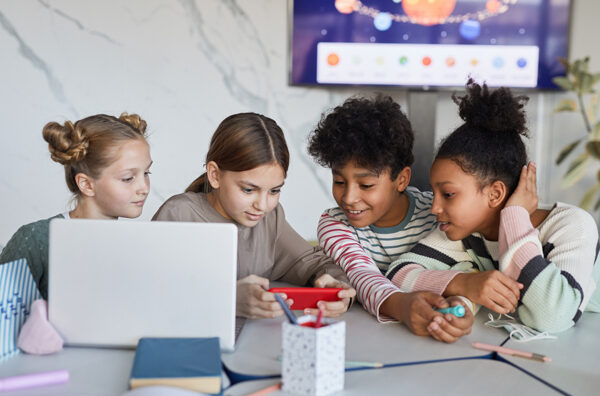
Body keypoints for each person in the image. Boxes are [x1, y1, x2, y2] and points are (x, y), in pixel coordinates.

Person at [386, 79, 600, 333]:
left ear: (495, 193)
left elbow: (552, 317)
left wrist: (515, 217)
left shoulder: (572, 226)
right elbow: (398, 274)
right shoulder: (466, 232)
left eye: (448, 194)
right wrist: (465, 284)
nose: (434, 208)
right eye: (435, 193)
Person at [152, 113, 356, 319]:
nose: (262, 205)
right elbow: (151, 290)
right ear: (215, 175)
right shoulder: (178, 215)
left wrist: (337, 287)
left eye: (274, 191)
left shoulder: (270, 219)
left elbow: (314, 264)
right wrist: (228, 300)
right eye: (248, 190)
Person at [307, 95, 474, 343]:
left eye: (366, 184)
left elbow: (466, 270)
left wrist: (462, 306)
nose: (349, 197)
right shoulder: (335, 225)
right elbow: (361, 274)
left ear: (402, 180)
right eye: (339, 181)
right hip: (366, 341)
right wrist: (403, 306)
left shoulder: (437, 215)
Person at [0, 113, 152, 299]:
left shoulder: (141, 246)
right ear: (87, 184)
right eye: (128, 178)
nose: (144, 188)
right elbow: (5, 319)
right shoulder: (37, 241)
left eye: (147, 172)